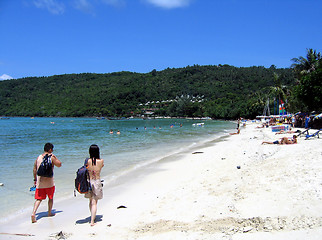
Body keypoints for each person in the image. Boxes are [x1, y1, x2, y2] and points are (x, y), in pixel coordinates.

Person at [31, 143, 62, 223]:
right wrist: (55, 158)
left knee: (39, 199)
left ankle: (33, 213)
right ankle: (49, 213)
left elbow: (34, 169)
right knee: (50, 198)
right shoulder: (51, 157)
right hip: (49, 182)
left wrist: (35, 179)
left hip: (40, 182)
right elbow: (59, 165)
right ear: (50, 150)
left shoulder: (38, 158)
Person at [85, 144, 104, 226]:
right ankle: (92, 221)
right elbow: (101, 167)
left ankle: (92, 216)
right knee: (94, 202)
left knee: (91, 201)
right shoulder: (101, 161)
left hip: (89, 181)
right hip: (96, 181)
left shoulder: (87, 161)